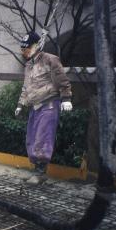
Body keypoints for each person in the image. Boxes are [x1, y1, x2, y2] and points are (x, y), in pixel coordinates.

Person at [15, 31, 72, 184]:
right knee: (32, 138)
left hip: (49, 104)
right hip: (35, 106)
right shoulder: (29, 65)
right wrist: (20, 104)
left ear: (37, 45)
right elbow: (26, 87)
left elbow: (62, 79)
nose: (24, 51)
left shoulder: (50, 60)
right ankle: (37, 171)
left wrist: (66, 98)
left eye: (27, 48)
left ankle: (40, 173)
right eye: (23, 49)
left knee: (43, 137)